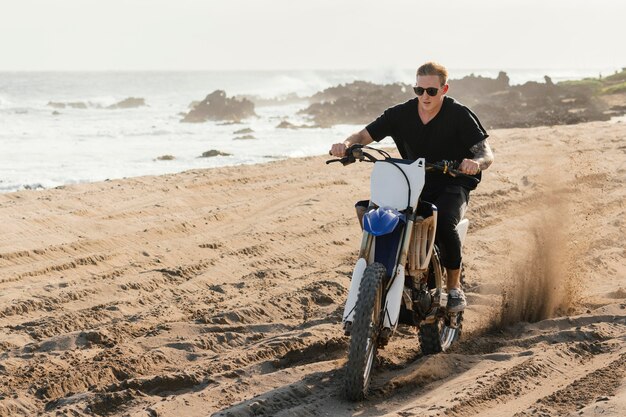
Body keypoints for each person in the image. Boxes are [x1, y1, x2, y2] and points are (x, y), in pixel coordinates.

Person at [329, 61, 494, 313]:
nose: (425, 97)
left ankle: (453, 287)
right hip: (411, 180)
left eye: (431, 91)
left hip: (452, 181)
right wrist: (345, 144)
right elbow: (362, 136)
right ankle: (382, 274)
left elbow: (485, 153)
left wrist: (475, 163)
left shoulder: (459, 115)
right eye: (419, 90)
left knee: (446, 222)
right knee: (373, 212)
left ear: (444, 89)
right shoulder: (400, 114)